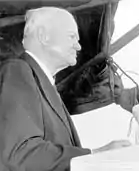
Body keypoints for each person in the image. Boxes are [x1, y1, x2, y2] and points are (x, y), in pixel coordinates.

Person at [0, 7, 131, 171]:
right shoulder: (18, 70)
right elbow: (20, 154)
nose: (78, 47)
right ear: (44, 36)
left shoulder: (45, 85)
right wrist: (94, 156)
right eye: (72, 37)